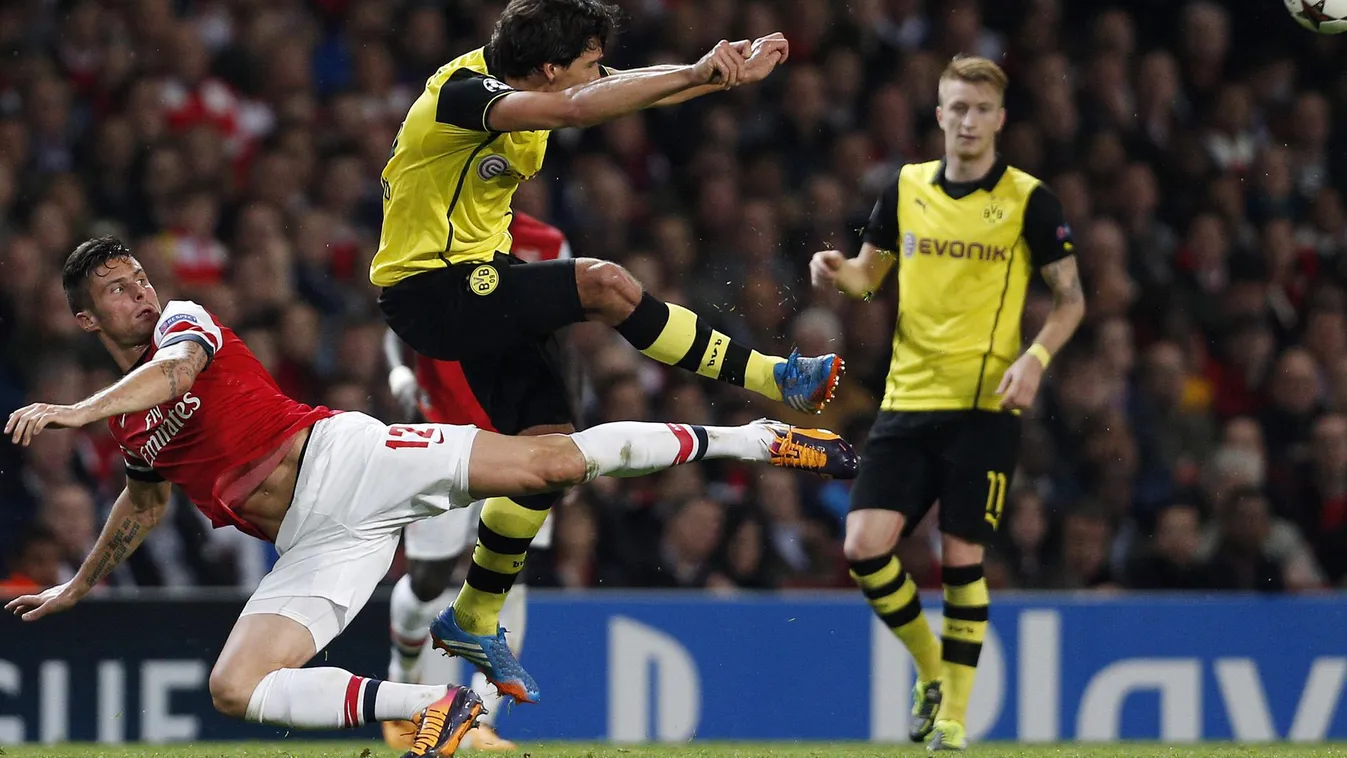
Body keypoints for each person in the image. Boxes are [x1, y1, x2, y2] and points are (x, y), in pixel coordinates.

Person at [5, 237, 857, 758]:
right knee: (236, 689)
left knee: (548, 466)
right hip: (315, 543)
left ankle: (754, 438)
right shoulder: (128, 427)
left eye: (138, 276)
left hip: (347, 459)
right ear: (86, 320)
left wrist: (72, 411)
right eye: (117, 290)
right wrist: (79, 586)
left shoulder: (178, 326)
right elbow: (143, 505)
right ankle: (434, 708)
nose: (140, 292)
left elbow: (178, 371)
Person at [373, 0, 844, 705]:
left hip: (476, 283)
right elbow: (578, 110)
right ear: (549, 69)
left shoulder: (538, 84)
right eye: (588, 63)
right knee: (605, 284)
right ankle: (776, 378)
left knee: (548, 458)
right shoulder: (462, 95)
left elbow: (615, 87)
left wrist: (719, 75)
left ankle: (473, 617)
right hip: (429, 290)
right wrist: (692, 70)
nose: (598, 74)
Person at [808, 56, 1085, 752]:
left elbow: (1071, 299)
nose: (966, 120)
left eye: (979, 109)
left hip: (983, 406)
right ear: (938, 115)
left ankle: (954, 721)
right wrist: (836, 272)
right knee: (863, 548)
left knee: (961, 557)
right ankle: (931, 669)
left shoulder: (1028, 200)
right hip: (906, 401)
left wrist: (1035, 359)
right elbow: (868, 280)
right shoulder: (903, 188)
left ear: (999, 119)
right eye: (954, 108)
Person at [381, 211, 573, 751]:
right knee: (429, 577)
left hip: (520, 435)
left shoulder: (548, 240)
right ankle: (404, 684)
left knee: (511, 567)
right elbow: (395, 321)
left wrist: (568, 435)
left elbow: (560, 343)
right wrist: (399, 374)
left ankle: (478, 719)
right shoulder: (437, 225)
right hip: (444, 434)